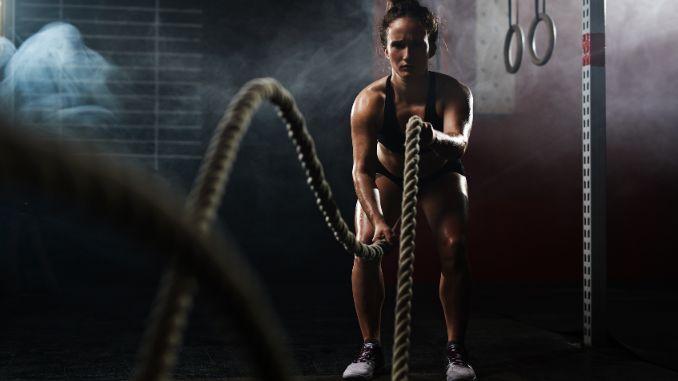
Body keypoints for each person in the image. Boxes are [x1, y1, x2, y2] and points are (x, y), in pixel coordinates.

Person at [342, 1, 475, 380]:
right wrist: (380, 220)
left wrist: (432, 135)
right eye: (398, 45)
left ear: (431, 46)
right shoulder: (370, 101)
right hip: (387, 175)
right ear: (385, 49)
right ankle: (370, 347)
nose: (407, 54)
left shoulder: (453, 92)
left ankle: (456, 350)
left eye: (417, 44)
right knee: (366, 246)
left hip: (439, 173)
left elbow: (460, 143)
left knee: (454, 246)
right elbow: (361, 170)